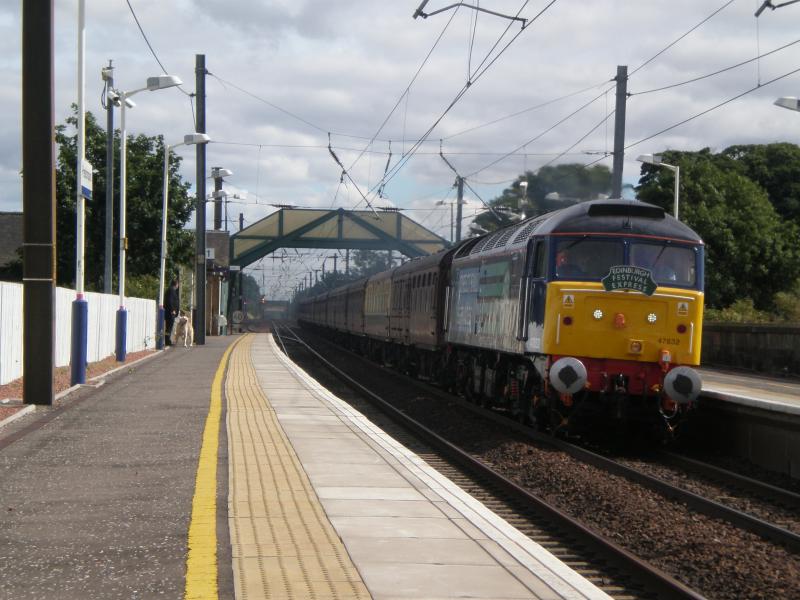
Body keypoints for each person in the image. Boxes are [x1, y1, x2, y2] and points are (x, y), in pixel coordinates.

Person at [164, 279, 180, 346]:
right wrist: (172, 310)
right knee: (169, 328)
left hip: (172, 313)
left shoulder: (172, 290)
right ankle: (167, 341)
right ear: (176, 284)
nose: (178, 285)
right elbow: (169, 301)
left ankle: (168, 340)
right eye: (178, 284)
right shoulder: (171, 291)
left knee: (169, 327)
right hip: (170, 313)